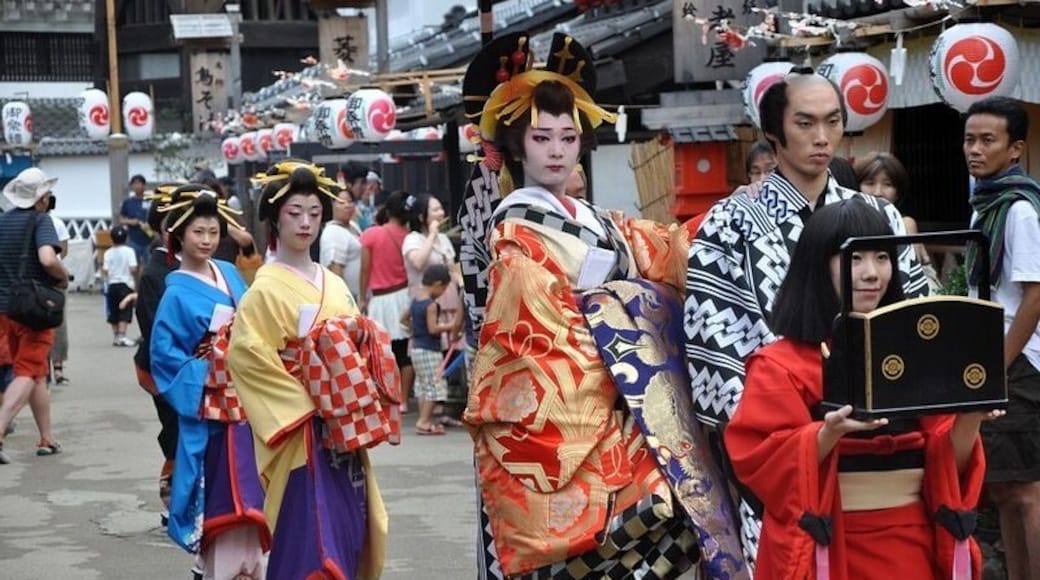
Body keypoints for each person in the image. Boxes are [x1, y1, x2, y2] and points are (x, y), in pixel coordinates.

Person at [462, 33, 745, 579]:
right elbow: (536, 341)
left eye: (568, 137)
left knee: (670, 515)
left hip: (627, 401)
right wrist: (624, 332)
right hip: (572, 420)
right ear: (519, 144)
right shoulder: (515, 233)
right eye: (542, 137)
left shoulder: (594, 219)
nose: (557, 149)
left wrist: (731, 223)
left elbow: (665, 248)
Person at [684, 66, 928, 564]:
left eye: (833, 122)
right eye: (805, 123)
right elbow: (714, 344)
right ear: (772, 132)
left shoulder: (875, 215)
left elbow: (913, 316)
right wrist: (770, 447)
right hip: (781, 437)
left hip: (881, 440)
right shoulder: (729, 222)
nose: (822, 138)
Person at [725, 198, 998, 579]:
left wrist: (970, 418)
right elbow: (758, 462)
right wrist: (827, 433)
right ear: (818, 268)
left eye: (882, 257)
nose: (872, 273)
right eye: (854, 259)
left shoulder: (918, 351)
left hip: (911, 543)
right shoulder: (780, 363)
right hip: (830, 542)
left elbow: (948, 463)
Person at [228, 160, 396, 579]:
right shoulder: (264, 290)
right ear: (274, 218)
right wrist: (311, 402)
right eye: (294, 213)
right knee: (310, 537)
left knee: (351, 526)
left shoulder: (334, 284)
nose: (305, 223)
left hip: (345, 425)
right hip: (303, 429)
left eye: (314, 213)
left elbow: (361, 340)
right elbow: (247, 358)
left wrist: (354, 372)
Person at [150, 185, 269, 578]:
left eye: (213, 232)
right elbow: (165, 359)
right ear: (179, 236)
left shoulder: (231, 271)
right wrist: (212, 366)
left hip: (248, 399)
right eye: (198, 232)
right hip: (212, 407)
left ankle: (250, 564)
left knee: (257, 490)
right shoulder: (176, 293)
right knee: (220, 493)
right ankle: (213, 565)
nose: (207, 240)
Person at [962, 96, 1040, 580]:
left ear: (1015, 149)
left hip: (1021, 363)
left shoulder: (1018, 210)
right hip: (996, 359)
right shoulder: (985, 202)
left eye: (987, 140)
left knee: (1028, 493)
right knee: (1007, 492)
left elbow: (1034, 298)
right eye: (969, 139)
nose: (974, 149)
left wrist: (999, 365)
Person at [0, 167, 69, 464]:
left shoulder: (2, 223)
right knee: (27, 371)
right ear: (41, 197)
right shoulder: (41, 221)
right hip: (34, 310)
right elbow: (48, 258)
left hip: (4, 310)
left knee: (36, 373)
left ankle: (46, 437)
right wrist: (63, 276)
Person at [133, 185, 182, 521]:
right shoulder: (155, 272)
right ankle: (171, 495)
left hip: (186, 363)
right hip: (162, 367)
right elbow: (155, 332)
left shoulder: (187, 265)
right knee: (179, 429)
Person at [359, 190, 415, 413]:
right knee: (405, 353)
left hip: (380, 300)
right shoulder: (410, 236)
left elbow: (365, 269)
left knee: (381, 351)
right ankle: (403, 400)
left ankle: (384, 395)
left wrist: (362, 297)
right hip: (404, 297)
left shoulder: (371, 234)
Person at [854, 152, 940, 291]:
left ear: (898, 192)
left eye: (887, 184)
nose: (878, 192)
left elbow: (905, 276)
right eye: (870, 183)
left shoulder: (905, 223)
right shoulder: (848, 222)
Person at [407, 264, 458, 435]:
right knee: (435, 386)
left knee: (423, 385)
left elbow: (403, 318)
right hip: (429, 349)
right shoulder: (431, 305)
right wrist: (451, 325)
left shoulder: (416, 300)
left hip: (416, 349)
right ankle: (424, 421)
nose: (443, 293)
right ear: (437, 284)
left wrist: (413, 329)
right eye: (443, 289)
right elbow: (433, 328)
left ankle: (424, 419)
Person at [320, 185, 363, 298]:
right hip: (347, 297)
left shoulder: (354, 225)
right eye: (341, 202)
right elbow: (335, 268)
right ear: (332, 205)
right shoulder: (333, 232)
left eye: (350, 202)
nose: (347, 206)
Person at [46, 197, 71, 386]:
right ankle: (58, 368)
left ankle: (46, 368)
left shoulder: (53, 223)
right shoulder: (58, 223)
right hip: (55, 276)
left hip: (41, 277)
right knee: (58, 322)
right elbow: (63, 251)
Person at [103, 225, 139, 347]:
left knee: (113, 310)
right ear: (126, 238)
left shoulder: (108, 253)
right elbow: (133, 268)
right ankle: (122, 336)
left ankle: (116, 336)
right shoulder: (129, 251)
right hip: (126, 283)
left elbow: (105, 269)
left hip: (112, 283)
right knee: (124, 310)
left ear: (111, 239)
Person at [119, 174, 153, 265]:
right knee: (134, 265)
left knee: (149, 266)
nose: (137, 186)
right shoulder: (128, 202)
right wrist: (131, 222)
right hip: (133, 239)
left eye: (139, 183)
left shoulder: (150, 200)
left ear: (144, 185)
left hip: (150, 239)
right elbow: (121, 219)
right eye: (134, 184)